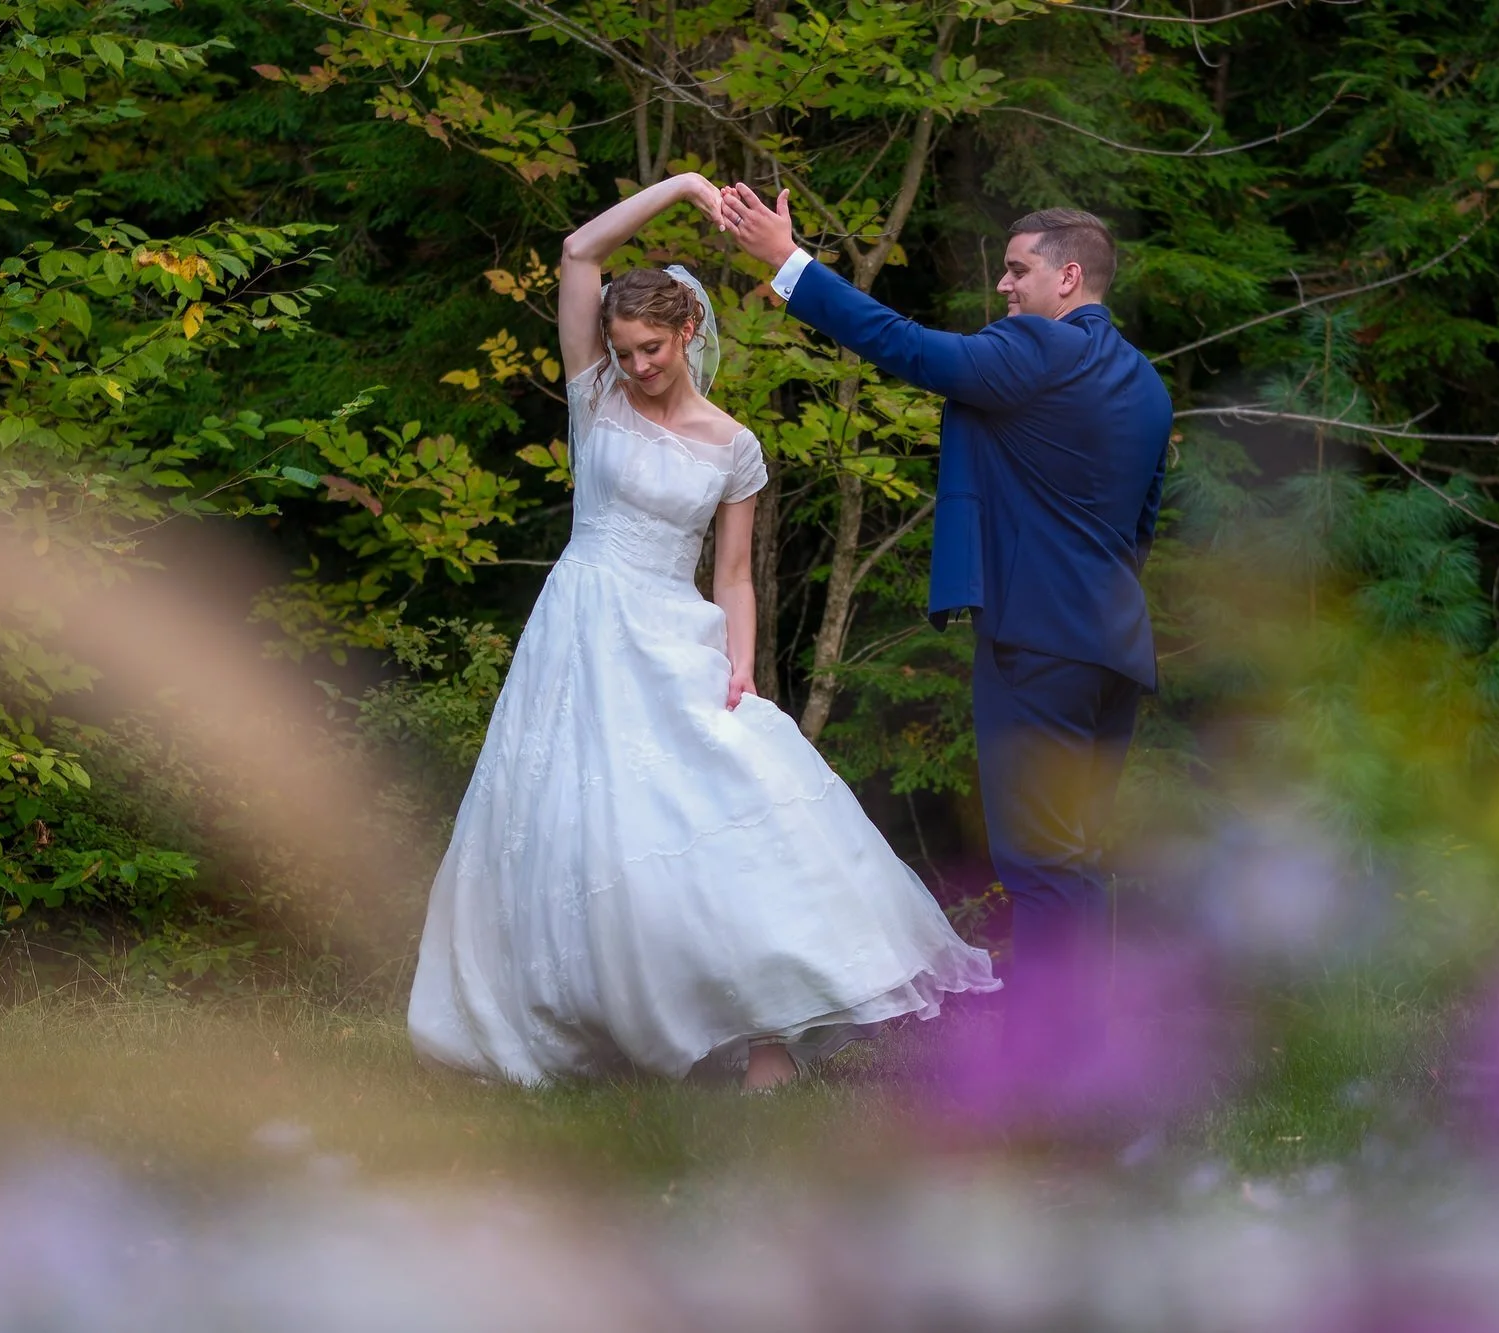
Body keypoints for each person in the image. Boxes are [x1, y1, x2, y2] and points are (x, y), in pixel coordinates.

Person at [408, 172, 997, 1091]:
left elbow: (732, 574)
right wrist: (685, 186)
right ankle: (581, 1026)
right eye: (623, 350)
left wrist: (741, 665)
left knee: (725, 814)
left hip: (671, 637)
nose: (637, 365)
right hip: (577, 635)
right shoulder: (596, 397)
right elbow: (579, 251)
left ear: (687, 331)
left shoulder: (733, 446)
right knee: (569, 830)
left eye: (650, 348)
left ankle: (769, 1037)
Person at [719, 184, 1170, 1014]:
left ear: (1069, 278)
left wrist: (788, 262)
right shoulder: (1146, 385)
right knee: (1074, 856)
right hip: (1114, 648)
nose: (1003, 285)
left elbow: (908, 348)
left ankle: (1046, 1050)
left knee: (1039, 858)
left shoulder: (1039, 349)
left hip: (1039, 643)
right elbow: (1139, 526)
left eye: (1018, 270)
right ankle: (1086, 1042)